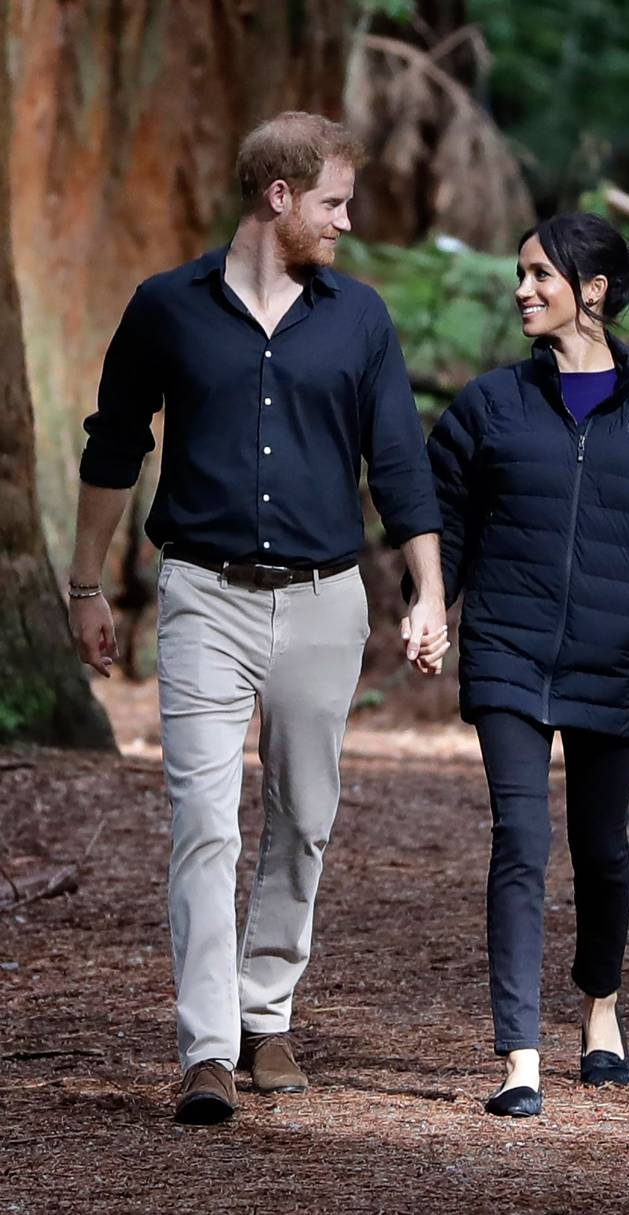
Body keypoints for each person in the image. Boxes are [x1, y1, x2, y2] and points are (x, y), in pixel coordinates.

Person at [68, 111, 446, 1125]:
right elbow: (112, 448)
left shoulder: (357, 318)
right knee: (200, 823)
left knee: (303, 819)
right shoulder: (165, 309)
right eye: (334, 203)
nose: (349, 222)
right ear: (278, 198)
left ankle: (263, 1013)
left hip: (326, 600)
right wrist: (83, 583)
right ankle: (204, 1051)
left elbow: (400, 461)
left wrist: (429, 591)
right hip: (203, 595)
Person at [410, 212, 629, 1117]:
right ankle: (519, 1051)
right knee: (520, 840)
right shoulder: (489, 405)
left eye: (540, 275)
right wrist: (433, 602)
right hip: (509, 646)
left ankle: (601, 1006)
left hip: (616, 656)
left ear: (592, 291)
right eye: (520, 273)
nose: (523, 289)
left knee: (602, 846)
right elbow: (446, 518)